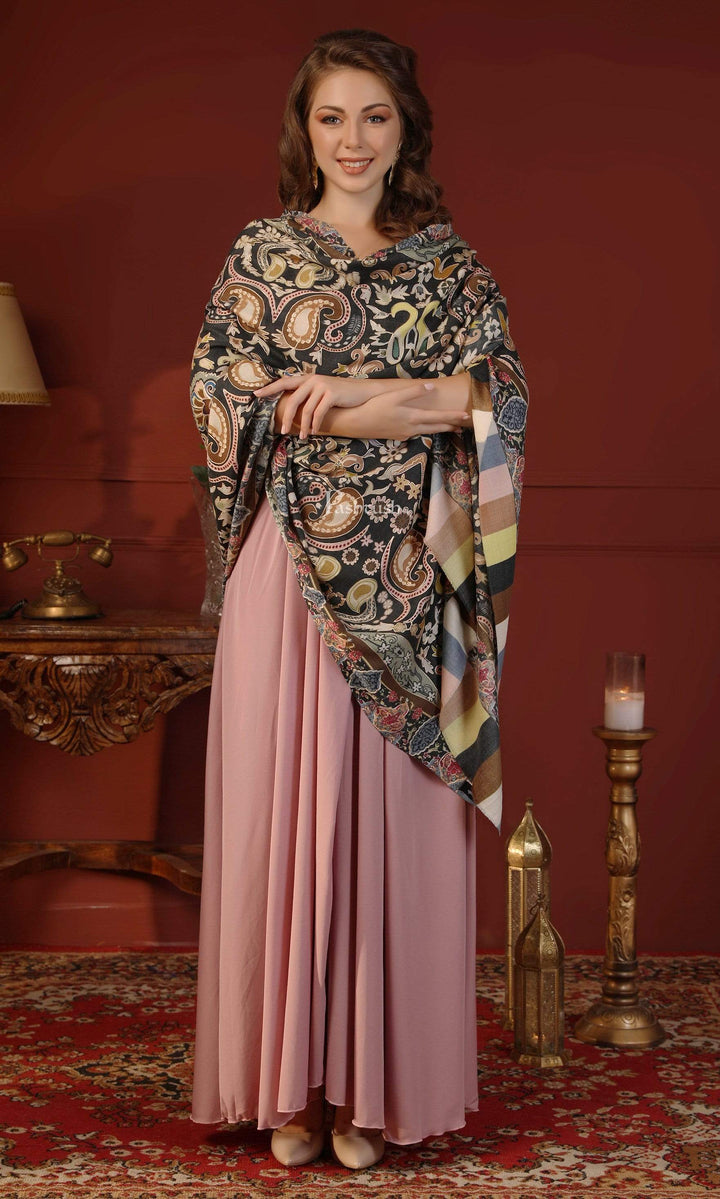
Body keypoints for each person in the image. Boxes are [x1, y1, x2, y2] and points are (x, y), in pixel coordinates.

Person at [189, 28, 528, 1171]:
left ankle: (375, 1093)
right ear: (305, 129)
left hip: (409, 578)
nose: (353, 139)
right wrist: (409, 400)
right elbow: (232, 398)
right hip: (288, 571)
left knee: (392, 832)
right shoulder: (264, 254)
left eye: (374, 116)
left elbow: (496, 398)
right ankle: (287, 1087)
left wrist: (341, 393)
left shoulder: (449, 268)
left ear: (405, 129)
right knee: (280, 820)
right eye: (332, 116)